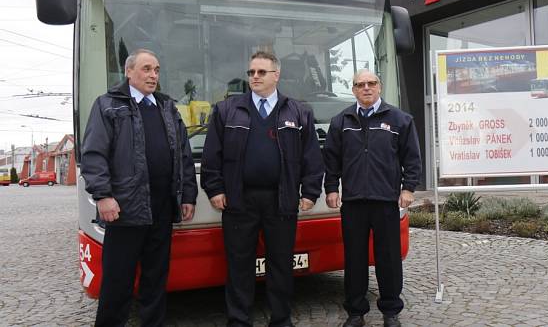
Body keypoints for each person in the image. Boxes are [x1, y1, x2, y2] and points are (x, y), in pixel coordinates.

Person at [201, 51, 323, 327]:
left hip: (282, 199)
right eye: (251, 72)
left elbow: (311, 157)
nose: (254, 77)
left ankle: (281, 319)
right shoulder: (227, 110)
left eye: (261, 72)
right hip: (238, 200)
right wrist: (215, 189)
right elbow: (212, 155)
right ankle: (238, 319)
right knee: (238, 264)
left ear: (276, 75)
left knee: (281, 263)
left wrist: (310, 193)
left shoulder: (298, 111)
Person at [81, 49, 198, 326]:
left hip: (161, 207)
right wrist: (103, 196)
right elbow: (94, 154)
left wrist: (188, 195)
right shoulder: (108, 105)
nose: (153, 75)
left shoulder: (167, 106)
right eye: (146, 69)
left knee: (156, 278)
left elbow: (183, 154)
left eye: (156, 70)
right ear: (129, 71)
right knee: (117, 281)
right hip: (124, 209)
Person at [323, 70, 421, 327]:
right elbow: (331, 160)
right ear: (353, 90)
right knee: (354, 259)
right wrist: (331, 188)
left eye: (371, 83)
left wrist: (408, 188)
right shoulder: (340, 121)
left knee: (388, 259)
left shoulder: (400, 120)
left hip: (386, 201)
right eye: (360, 84)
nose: (366, 88)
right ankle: (356, 313)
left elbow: (412, 158)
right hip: (353, 202)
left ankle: (391, 312)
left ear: (379, 86)